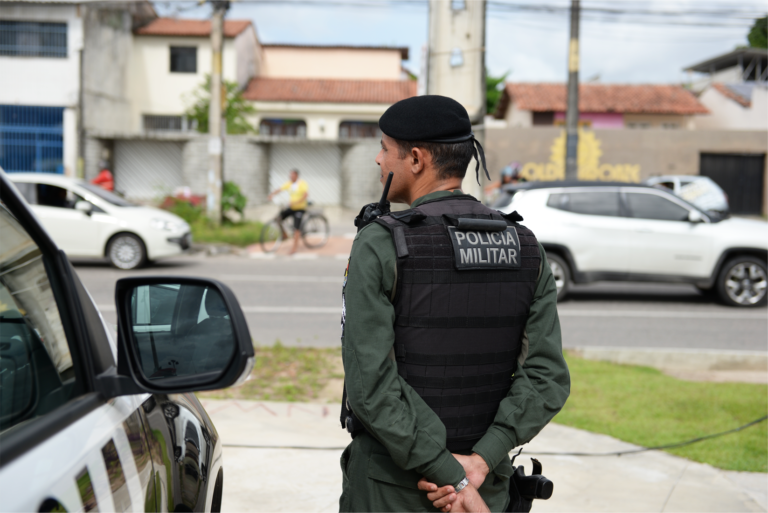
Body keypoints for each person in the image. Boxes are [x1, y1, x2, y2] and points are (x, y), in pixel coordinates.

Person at [339, 95, 570, 513]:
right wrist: (479, 463)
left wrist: (451, 474)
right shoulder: (525, 246)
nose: (378, 159)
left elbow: (370, 387)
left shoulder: (382, 243)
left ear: (415, 159)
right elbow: (546, 377)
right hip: (487, 489)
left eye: (384, 148)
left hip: (393, 491)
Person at [267, 169, 309, 255]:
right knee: (278, 218)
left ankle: (294, 248)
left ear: (296, 175)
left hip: (300, 208)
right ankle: (284, 234)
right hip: (291, 207)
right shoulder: (289, 183)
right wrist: (272, 194)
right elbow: (280, 189)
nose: (291, 177)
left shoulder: (302, 184)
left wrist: (296, 202)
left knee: (296, 228)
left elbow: (305, 195)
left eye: (292, 175)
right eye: (290, 175)